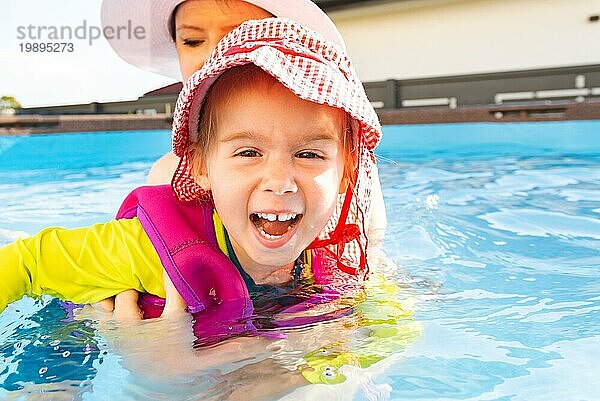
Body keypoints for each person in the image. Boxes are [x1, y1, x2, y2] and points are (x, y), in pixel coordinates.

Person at [0, 19, 414, 387]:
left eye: (309, 155)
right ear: (200, 167)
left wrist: (294, 373)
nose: (280, 182)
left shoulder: (335, 253)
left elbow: (395, 323)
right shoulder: (147, 250)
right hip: (68, 341)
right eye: (248, 153)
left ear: (346, 174)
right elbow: (25, 261)